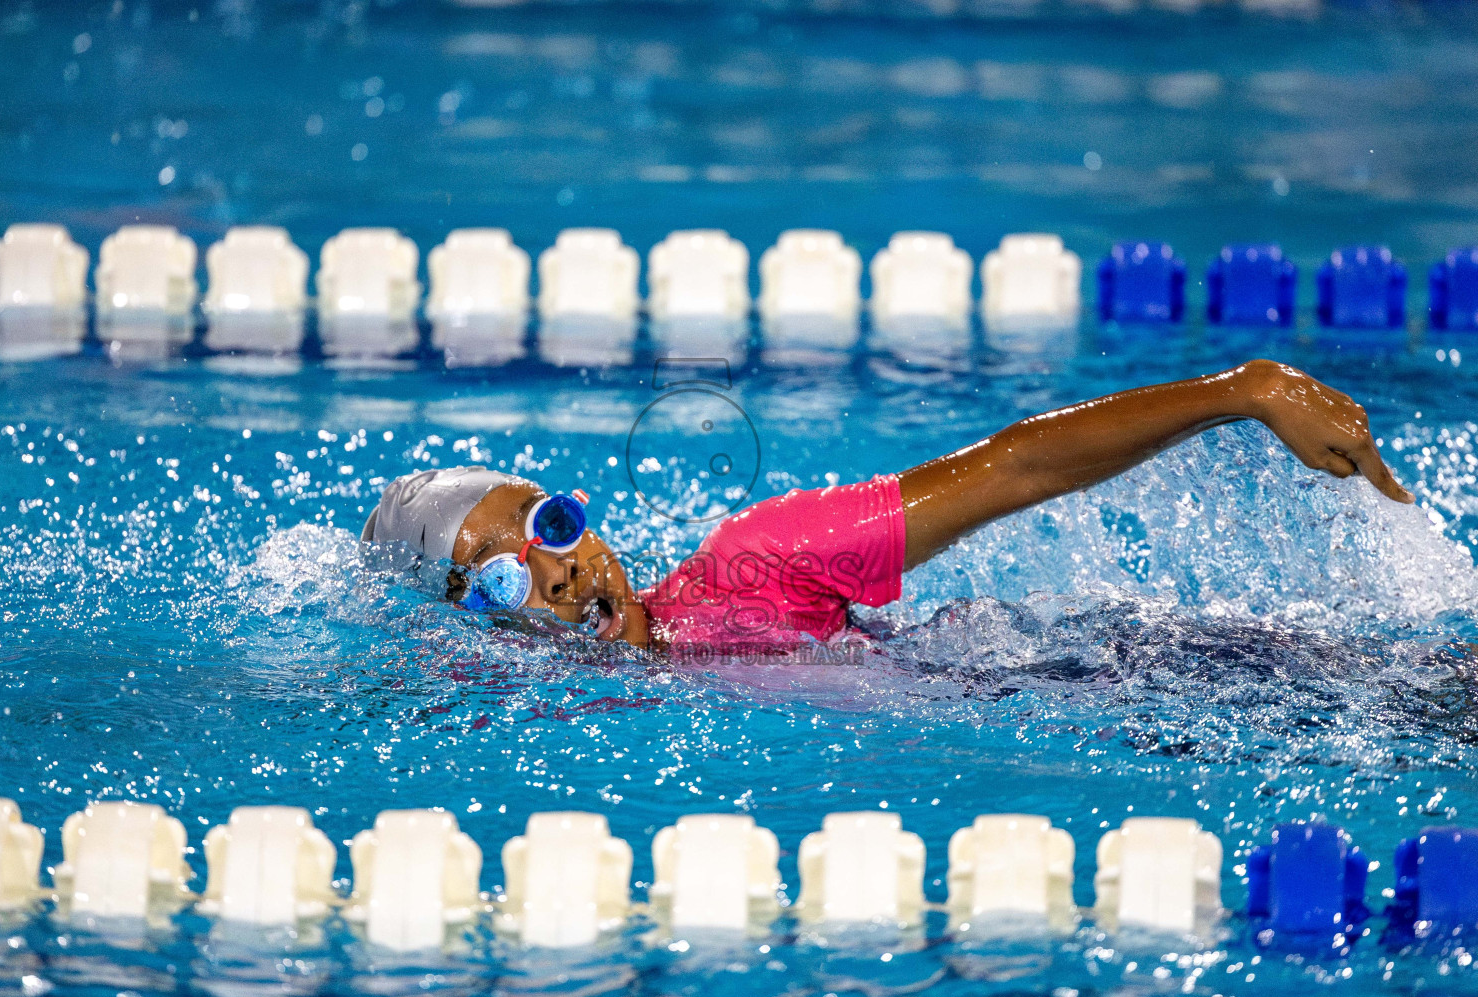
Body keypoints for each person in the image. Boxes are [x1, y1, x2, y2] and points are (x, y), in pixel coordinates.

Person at [361, 360, 1413, 652]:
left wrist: (1241, 393)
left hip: (1141, 676)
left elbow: (1015, 469)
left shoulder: (756, 563)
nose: (556, 570)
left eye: (550, 526)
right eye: (503, 575)